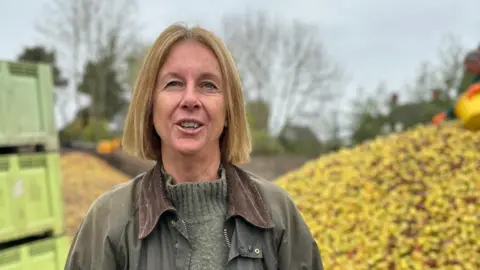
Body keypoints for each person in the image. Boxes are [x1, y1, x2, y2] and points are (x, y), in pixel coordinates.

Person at [64, 23, 324, 269]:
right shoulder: (108, 220)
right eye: (173, 83)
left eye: (208, 85)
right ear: (150, 106)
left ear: (228, 111)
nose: (190, 99)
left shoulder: (278, 215)